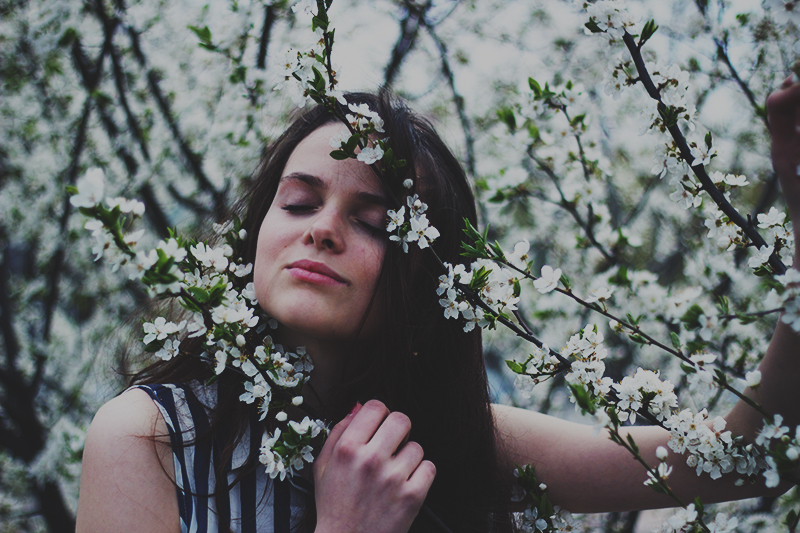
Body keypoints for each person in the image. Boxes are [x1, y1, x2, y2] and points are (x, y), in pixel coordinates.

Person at [76, 81, 800, 532]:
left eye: (375, 221)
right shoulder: (149, 439)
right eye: (297, 201)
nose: (322, 227)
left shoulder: (445, 433)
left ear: (428, 277)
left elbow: (749, 456)